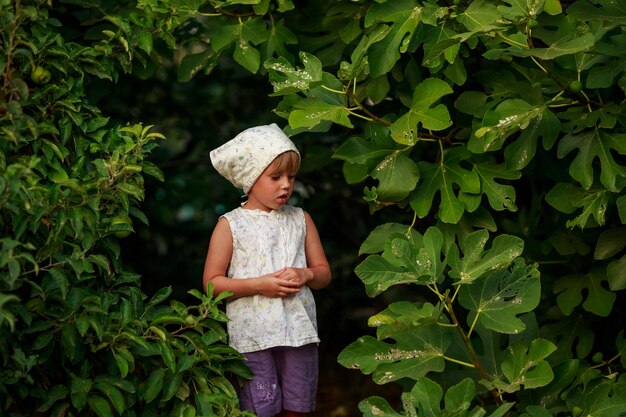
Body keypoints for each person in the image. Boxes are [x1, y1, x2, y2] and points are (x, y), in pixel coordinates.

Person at [203, 123, 332, 417]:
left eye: (291, 176)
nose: (286, 184)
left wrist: (306, 274)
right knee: (261, 410)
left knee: (298, 409)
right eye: (275, 177)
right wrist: (259, 285)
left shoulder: (301, 219)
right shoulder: (231, 225)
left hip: (299, 334)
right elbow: (212, 285)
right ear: (249, 179)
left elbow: (324, 273)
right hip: (252, 339)